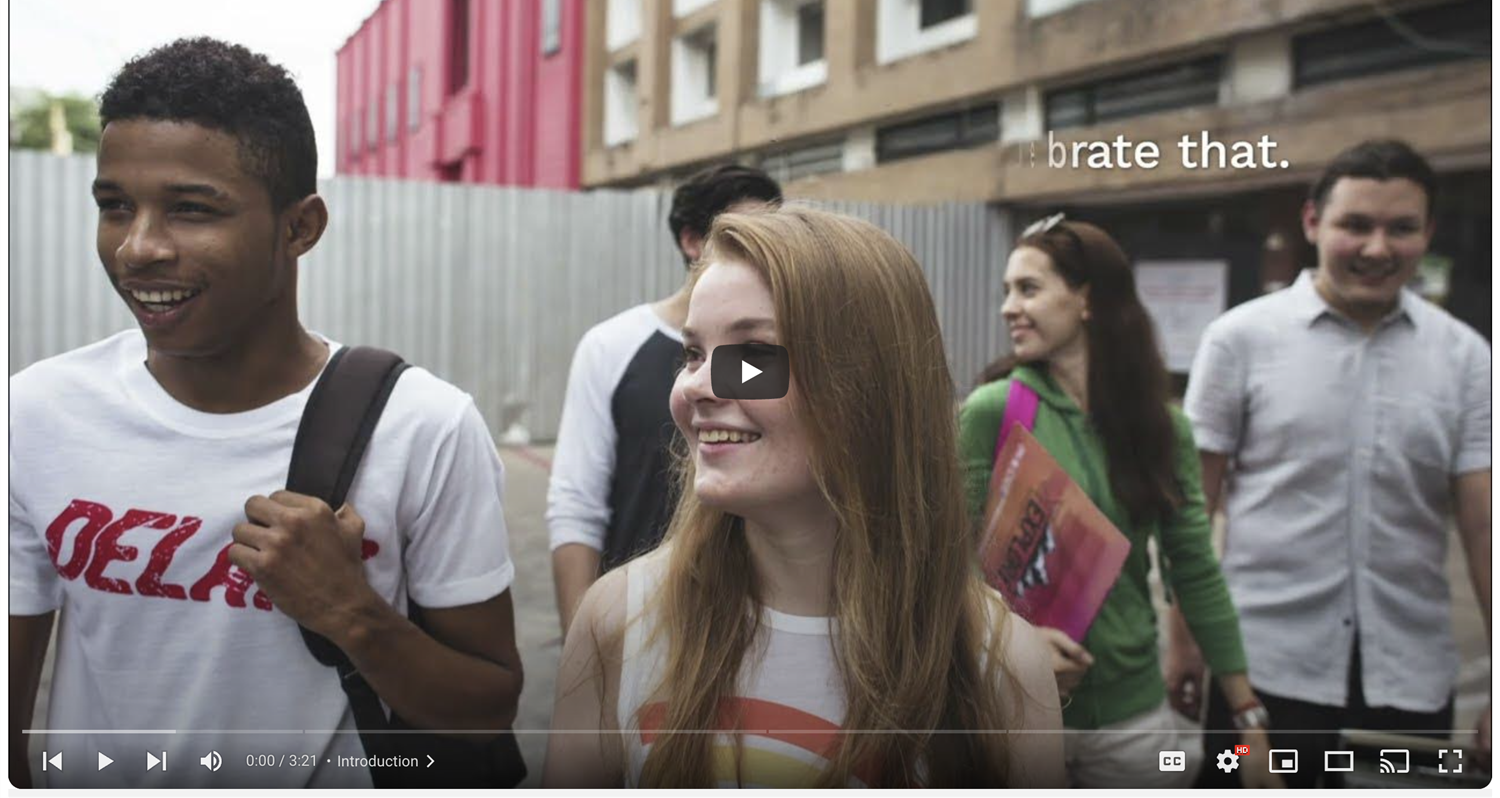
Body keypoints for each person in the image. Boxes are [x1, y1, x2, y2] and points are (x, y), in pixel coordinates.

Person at [8, 37, 522, 788]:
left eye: (191, 210)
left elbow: (487, 708)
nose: (138, 248)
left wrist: (352, 613)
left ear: (299, 228)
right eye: (115, 207)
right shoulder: (35, 413)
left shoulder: (423, 427)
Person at [541, 206, 1065, 787]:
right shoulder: (617, 620)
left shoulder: (1001, 664)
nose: (695, 386)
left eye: (753, 356)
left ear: (865, 382)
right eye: (692, 353)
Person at [1176, 139, 1491, 787]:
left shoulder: (1467, 358)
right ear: (1313, 222)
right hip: (1258, 673)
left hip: (1408, 681)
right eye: (1356, 225)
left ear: (1428, 233)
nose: (1378, 248)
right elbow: (1191, 508)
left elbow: (1485, 527)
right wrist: (1183, 640)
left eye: (1401, 228)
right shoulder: (1238, 340)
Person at [957, 216, 1280, 788]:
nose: (1009, 307)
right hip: (1011, 711)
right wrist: (1009, 645)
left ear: (1088, 299)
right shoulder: (991, 412)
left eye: (1029, 289)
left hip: (1135, 716)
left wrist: (1245, 710)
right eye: (1007, 291)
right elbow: (947, 566)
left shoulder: (1163, 428)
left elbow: (1196, 569)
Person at [546, 165, 781, 637]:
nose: (702, 387)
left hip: (755, 621)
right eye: (744, 231)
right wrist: (583, 645)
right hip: (642, 618)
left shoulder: (773, 354)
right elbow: (577, 504)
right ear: (692, 241)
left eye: (773, 231)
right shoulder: (613, 346)